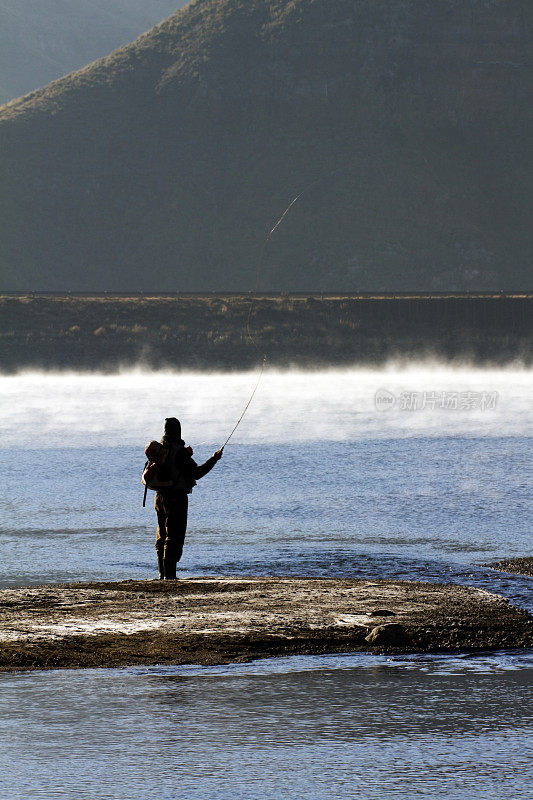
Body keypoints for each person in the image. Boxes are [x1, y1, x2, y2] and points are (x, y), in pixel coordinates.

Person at [144, 417, 223, 580]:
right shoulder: (178, 452)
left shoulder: (158, 450)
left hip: (159, 498)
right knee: (174, 537)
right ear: (178, 431)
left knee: (162, 535)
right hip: (176, 499)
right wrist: (214, 459)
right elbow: (197, 473)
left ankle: (162, 574)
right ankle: (170, 576)